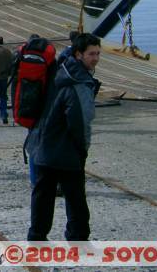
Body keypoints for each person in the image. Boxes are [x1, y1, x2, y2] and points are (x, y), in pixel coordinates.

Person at [25, 33, 102, 240]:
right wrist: (82, 149)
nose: (95, 58)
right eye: (91, 54)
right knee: (76, 199)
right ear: (79, 54)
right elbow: (81, 122)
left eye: (97, 54)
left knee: (42, 197)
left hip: (41, 146)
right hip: (66, 152)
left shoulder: (59, 68)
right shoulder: (80, 82)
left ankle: (36, 239)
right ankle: (78, 240)